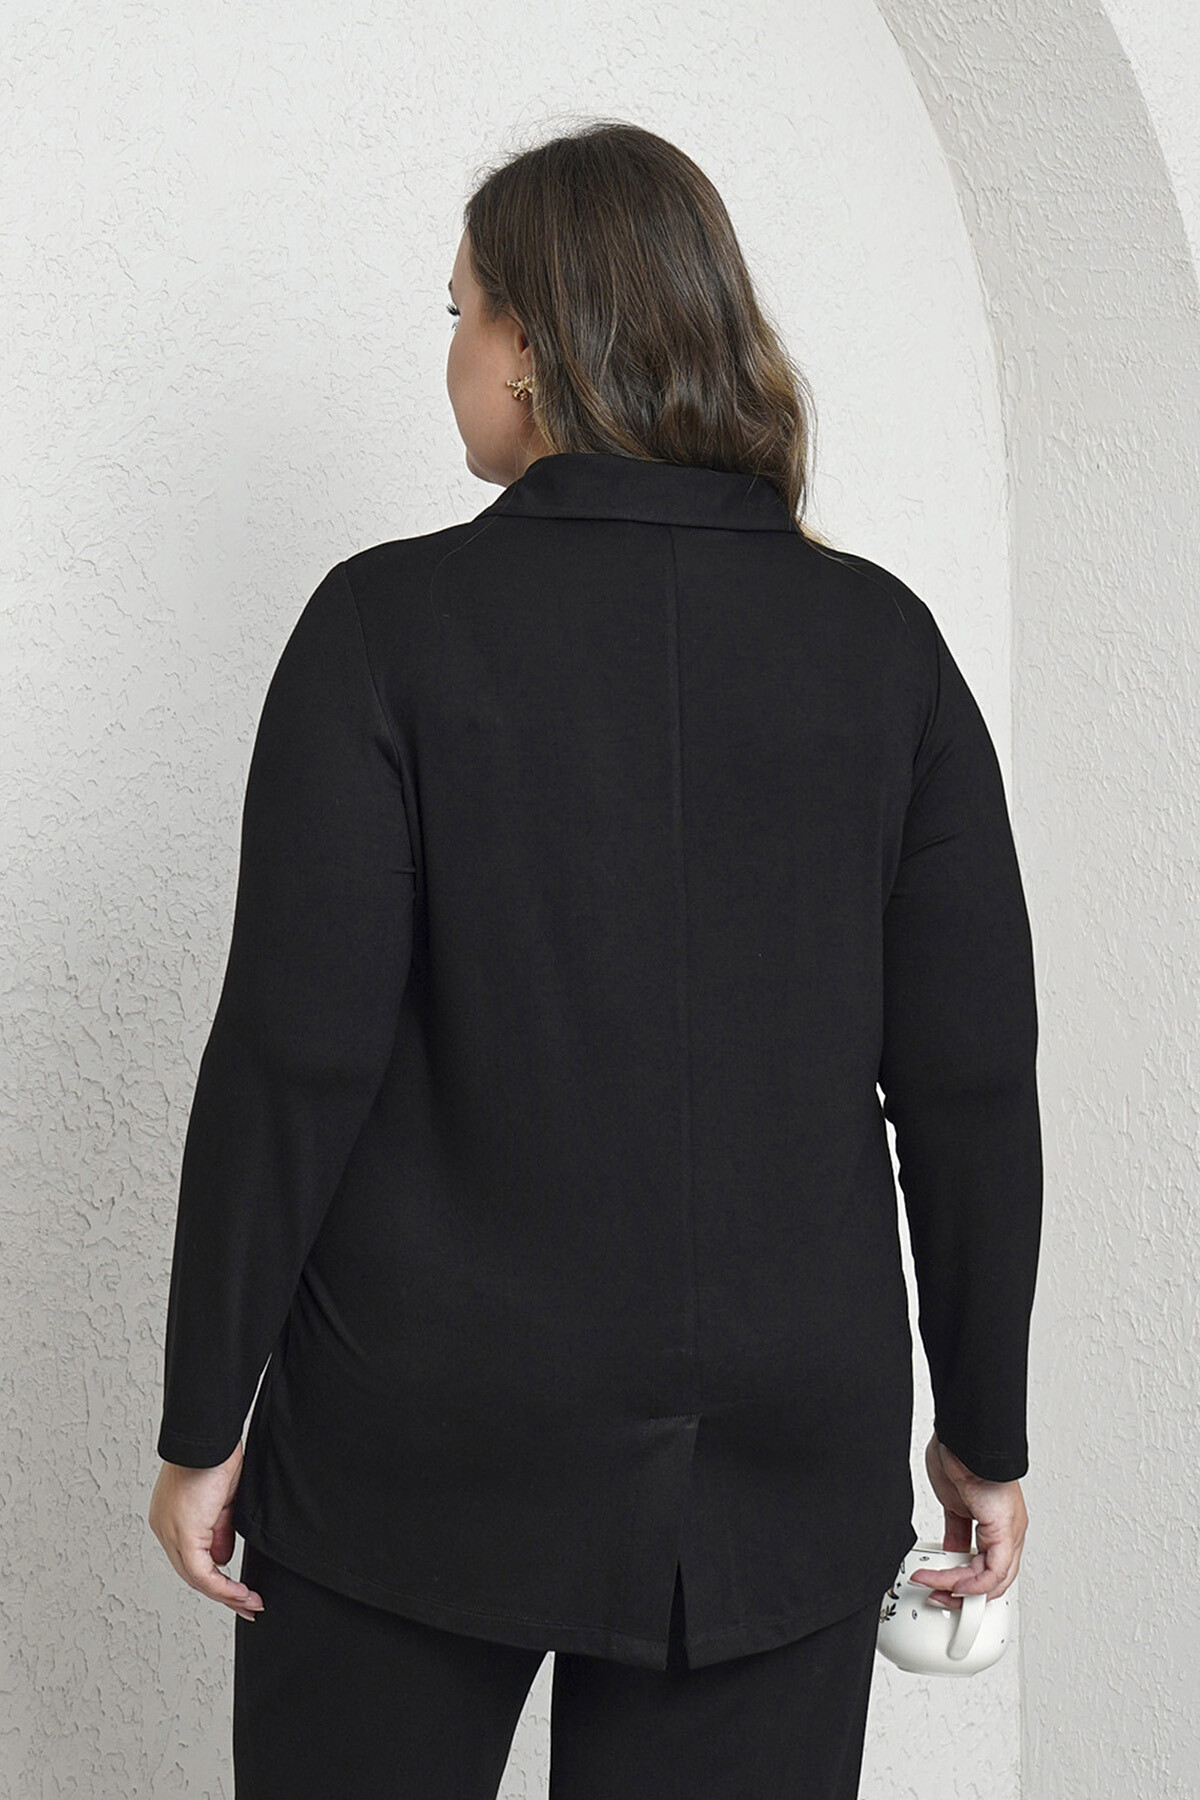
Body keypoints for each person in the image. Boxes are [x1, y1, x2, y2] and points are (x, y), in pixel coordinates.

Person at [147, 119, 1041, 1798]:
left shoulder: (384, 628)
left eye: (463, 310)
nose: (451, 354)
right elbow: (971, 1081)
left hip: (420, 1436)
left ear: (536, 345)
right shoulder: (888, 651)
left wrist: (204, 1419)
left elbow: (292, 1055)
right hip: (781, 1456)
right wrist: (984, 1428)